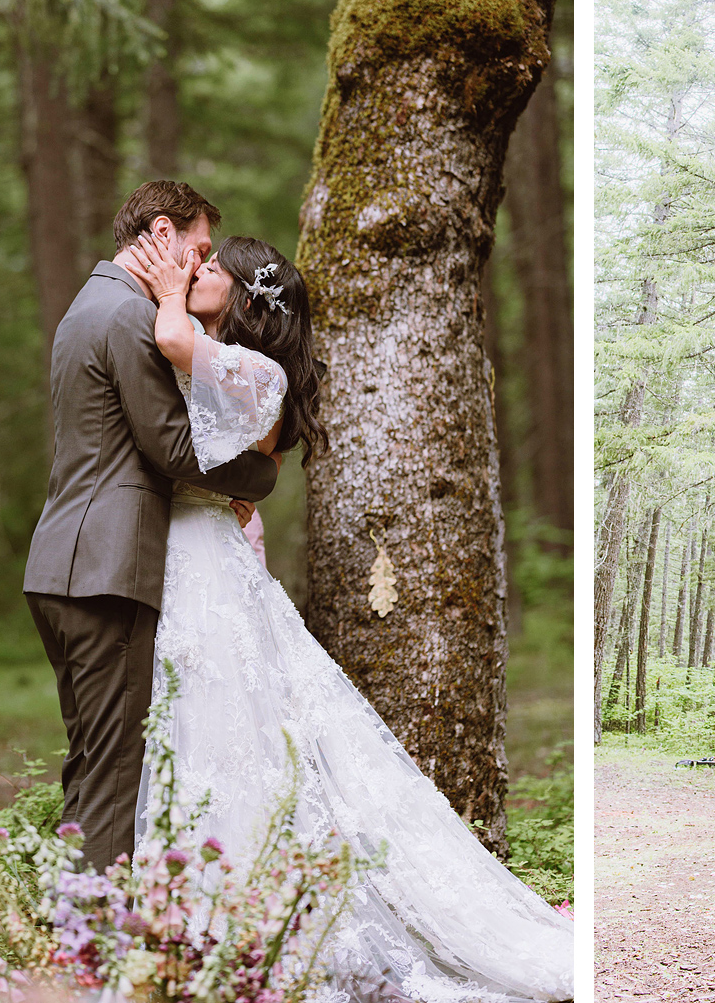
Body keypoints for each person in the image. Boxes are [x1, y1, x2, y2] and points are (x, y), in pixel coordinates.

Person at [124, 231, 573, 1002]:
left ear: (239, 293)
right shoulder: (228, 359)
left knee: (221, 724)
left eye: (207, 267)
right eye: (191, 264)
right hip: (198, 548)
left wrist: (163, 283)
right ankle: (206, 915)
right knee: (211, 727)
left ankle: (240, 923)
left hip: (203, 553)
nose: (193, 270)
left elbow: (170, 335)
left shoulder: (251, 367)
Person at [23, 181, 279, 876]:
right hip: (107, 569)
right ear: (160, 232)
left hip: (59, 564)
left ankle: (72, 924)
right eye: (198, 248)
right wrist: (261, 479)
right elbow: (170, 445)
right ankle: (95, 953)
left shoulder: (86, 305)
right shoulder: (132, 315)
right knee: (113, 770)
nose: (200, 266)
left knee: (91, 759)